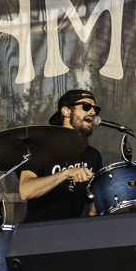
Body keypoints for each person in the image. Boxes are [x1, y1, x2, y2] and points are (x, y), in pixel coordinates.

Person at [18, 89, 103, 222]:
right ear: (66, 111)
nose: (92, 112)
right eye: (86, 106)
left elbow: (93, 206)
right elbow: (25, 190)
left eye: (95, 109)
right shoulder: (40, 148)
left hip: (73, 235)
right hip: (37, 233)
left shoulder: (93, 155)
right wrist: (65, 174)